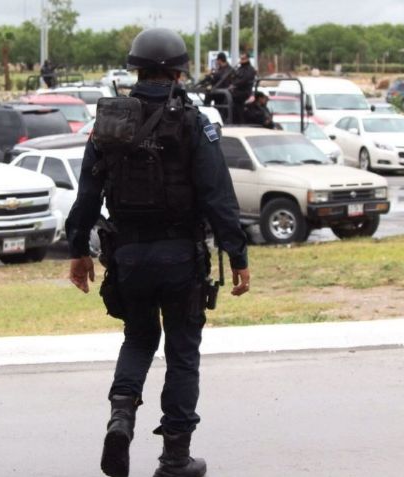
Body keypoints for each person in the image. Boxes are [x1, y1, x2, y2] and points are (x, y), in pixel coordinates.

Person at [64, 28, 250, 477]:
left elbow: (87, 192)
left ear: (137, 69)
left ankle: (121, 418)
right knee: (183, 352)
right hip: (181, 257)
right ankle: (174, 457)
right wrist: (237, 255)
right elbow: (217, 195)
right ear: (179, 71)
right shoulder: (192, 120)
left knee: (139, 338)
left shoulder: (108, 122)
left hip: (127, 256)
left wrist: (77, 250)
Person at [230, 53, 256, 124]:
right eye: (241, 58)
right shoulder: (239, 68)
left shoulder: (250, 69)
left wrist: (235, 84)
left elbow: (245, 80)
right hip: (237, 92)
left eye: (243, 59)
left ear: (247, 59)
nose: (241, 60)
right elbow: (233, 77)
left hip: (244, 92)